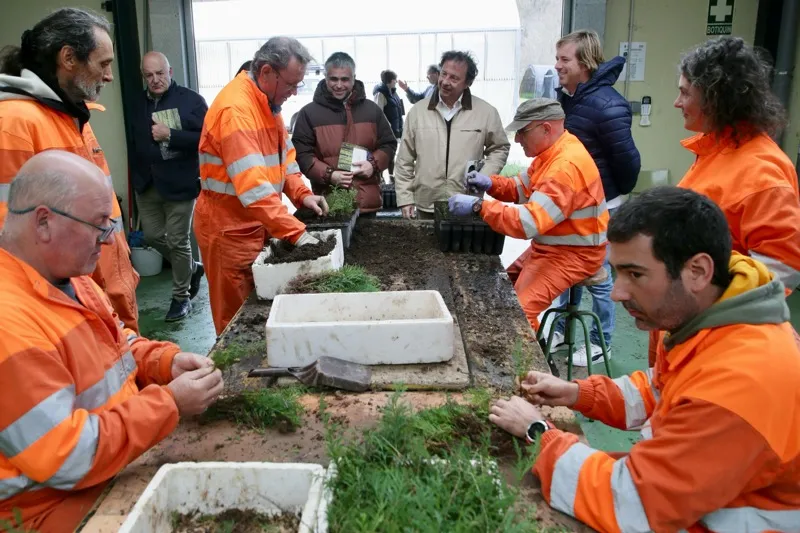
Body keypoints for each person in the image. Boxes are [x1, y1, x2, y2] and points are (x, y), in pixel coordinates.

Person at [489, 186, 800, 533]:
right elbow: (661, 390)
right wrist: (577, 393)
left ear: (697, 271)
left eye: (635, 274)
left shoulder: (741, 383)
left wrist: (539, 432)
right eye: (618, 272)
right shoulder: (712, 319)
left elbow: (632, 505)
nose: (618, 292)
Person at [0, 151, 224, 532]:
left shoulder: (70, 278)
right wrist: (168, 404)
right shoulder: (10, 324)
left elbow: (117, 342)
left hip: (114, 465)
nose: (107, 242)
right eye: (99, 226)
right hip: (51, 511)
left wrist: (164, 363)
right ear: (43, 223)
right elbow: (67, 456)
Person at [0, 7, 141, 332]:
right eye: (103, 64)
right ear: (68, 58)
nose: (109, 76)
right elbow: (13, 243)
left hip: (106, 299)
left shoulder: (70, 117)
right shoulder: (16, 123)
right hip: (71, 310)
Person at [195, 36, 329, 335]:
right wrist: (298, 234)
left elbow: (285, 159)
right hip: (229, 232)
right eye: (291, 85)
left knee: (264, 315)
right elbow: (254, 189)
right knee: (238, 325)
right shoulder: (235, 111)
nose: (294, 93)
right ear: (267, 72)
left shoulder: (268, 104)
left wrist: (302, 193)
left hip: (259, 224)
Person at [448, 98, 607, 330]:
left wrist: (478, 207)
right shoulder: (551, 154)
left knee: (519, 315)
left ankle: (525, 362)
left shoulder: (565, 168)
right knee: (504, 287)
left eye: (522, 131)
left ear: (545, 128)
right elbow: (520, 189)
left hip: (575, 255)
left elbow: (526, 223)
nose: (518, 139)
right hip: (551, 247)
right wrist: (489, 183)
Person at [675, 36, 800, 294]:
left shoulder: (761, 172)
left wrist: (707, 304)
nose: (677, 102)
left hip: (716, 320)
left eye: (685, 92)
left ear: (715, 98)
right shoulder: (716, 149)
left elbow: (780, 271)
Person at [547, 29, 641, 365]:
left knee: (598, 276)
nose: (557, 65)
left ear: (584, 62)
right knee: (562, 269)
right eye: (557, 58)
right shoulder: (568, 99)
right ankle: (559, 329)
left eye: (564, 59)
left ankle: (603, 340)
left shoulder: (608, 105)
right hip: (570, 204)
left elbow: (628, 163)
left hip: (599, 207)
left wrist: (606, 193)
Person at [132, 51, 207, 322]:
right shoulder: (138, 103)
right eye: (149, 75)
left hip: (180, 184)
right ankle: (192, 268)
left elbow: (208, 140)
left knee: (178, 241)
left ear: (170, 71)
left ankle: (181, 297)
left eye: (160, 73)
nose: (155, 80)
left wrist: (171, 136)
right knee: (152, 237)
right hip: (147, 184)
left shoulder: (192, 101)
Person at [396, 51, 510, 219]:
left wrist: (484, 176)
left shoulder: (485, 113)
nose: (445, 82)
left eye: (454, 78)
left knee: (462, 246)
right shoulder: (418, 112)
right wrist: (405, 198)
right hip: (426, 204)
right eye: (444, 74)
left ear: (467, 83)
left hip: (466, 203)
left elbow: (500, 148)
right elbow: (404, 159)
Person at [292, 52, 396, 214]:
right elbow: (302, 154)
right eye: (334, 79)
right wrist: (329, 175)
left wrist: (373, 164)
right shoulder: (309, 114)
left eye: (345, 79)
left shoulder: (371, 110)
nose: (339, 85)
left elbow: (388, 144)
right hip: (330, 205)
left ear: (354, 79)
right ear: (326, 78)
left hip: (368, 204)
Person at [373, 69, 405, 181]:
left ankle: (391, 177)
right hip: (385, 132)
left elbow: (398, 112)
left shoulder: (393, 92)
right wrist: (387, 127)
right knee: (384, 155)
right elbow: (378, 113)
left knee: (392, 155)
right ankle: (381, 178)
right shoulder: (380, 93)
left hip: (394, 130)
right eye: (395, 80)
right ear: (390, 81)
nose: (396, 82)